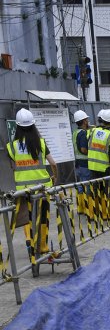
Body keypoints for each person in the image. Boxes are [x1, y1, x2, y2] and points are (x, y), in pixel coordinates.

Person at [6, 107, 58, 261]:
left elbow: (13, 166)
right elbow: (53, 163)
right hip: (42, 188)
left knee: (27, 217)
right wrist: (55, 176)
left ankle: (30, 244)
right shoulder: (40, 142)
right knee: (42, 217)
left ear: (18, 126)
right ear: (33, 125)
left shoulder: (11, 146)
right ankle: (42, 246)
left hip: (23, 190)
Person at [72, 109, 91, 181]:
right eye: (86, 119)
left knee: (81, 186)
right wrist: (91, 153)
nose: (88, 121)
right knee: (87, 186)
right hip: (85, 164)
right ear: (84, 121)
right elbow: (83, 149)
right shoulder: (83, 133)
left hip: (78, 164)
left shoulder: (75, 132)